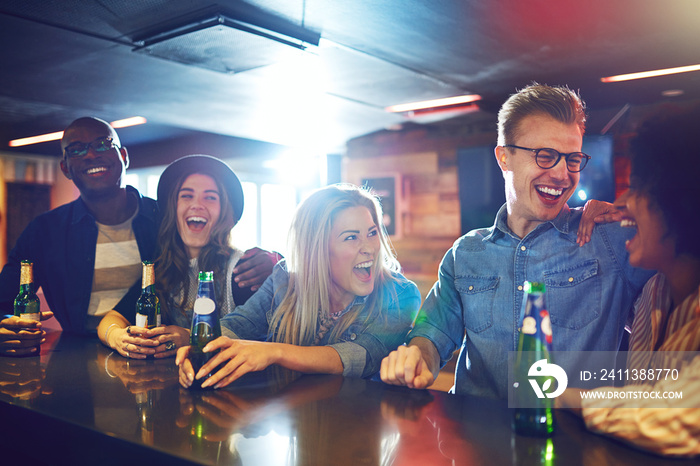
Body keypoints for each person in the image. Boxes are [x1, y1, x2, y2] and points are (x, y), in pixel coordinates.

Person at [380, 83, 653, 398]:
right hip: (476, 441)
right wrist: (418, 359)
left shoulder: (611, 239)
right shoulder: (465, 253)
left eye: (573, 159)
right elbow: (432, 334)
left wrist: (635, 210)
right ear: (504, 157)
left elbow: (685, 250)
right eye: (546, 156)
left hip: (574, 442)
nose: (563, 174)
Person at [0, 117, 273, 357]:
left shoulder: (162, 218)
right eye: (77, 150)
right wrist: (6, 328)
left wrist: (274, 261)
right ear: (65, 168)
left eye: (103, 144)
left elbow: (251, 317)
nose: (92, 155)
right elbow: (4, 301)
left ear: (124, 156)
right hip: (76, 357)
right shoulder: (45, 231)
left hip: (152, 355)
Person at [556, 106, 700, 457]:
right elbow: (647, 395)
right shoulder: (653, 293)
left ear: (679, 204)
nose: (621, 202)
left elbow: (683, 414)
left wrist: (562, 397)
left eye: (635, 189)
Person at [176, 184, 421, 389]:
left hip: (360, 428)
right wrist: (198, 351)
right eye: (351, 237)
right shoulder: (285, 278)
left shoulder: (400, 295)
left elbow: (360, 356)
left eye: (372, 232)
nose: (369, 247)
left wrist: (274, 352)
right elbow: (238, 325)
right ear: (316, 249)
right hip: (296, 430)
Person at [97, 155, 274, 358]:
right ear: (174, 208)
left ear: (225, 212)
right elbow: (112, 318)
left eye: (210, 197)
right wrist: (117, 337)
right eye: (187, 196)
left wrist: (189, 338)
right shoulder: (163, 269)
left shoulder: (244, 270)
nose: (197, 205)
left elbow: (258, 336)